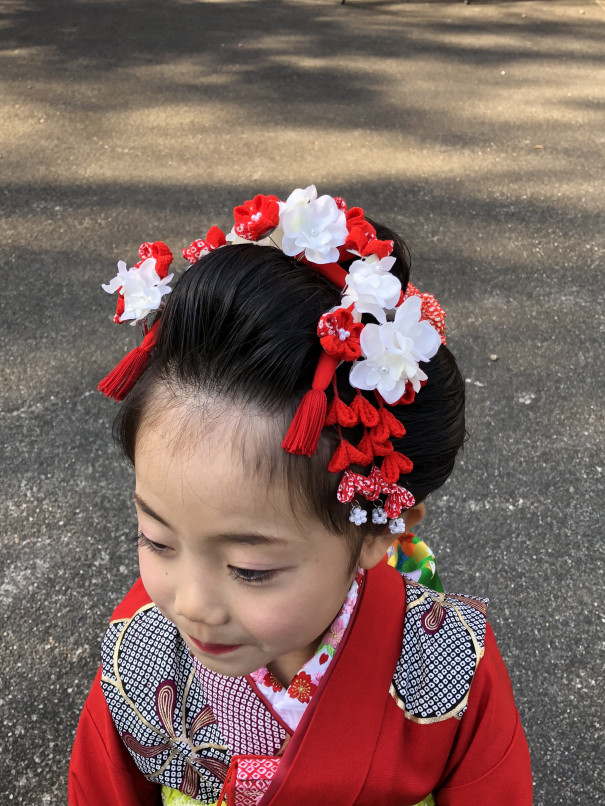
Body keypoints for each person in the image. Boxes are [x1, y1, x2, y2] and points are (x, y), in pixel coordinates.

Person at [68, 186, 532, 806]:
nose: (192, 604)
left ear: (377, 532)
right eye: (155, 539)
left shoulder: (447, 660)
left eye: (250, 569)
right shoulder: (140, 659)